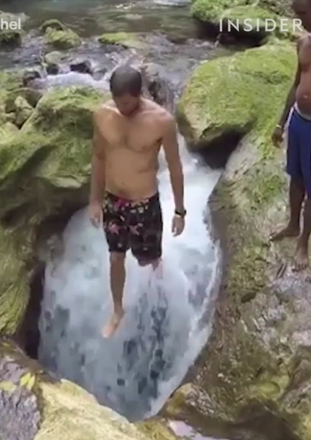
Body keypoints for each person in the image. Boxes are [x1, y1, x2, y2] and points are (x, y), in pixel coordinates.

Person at [88, 66, 186, 338]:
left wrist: (180, 210)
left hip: (145, 203)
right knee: (115, 256)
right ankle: (117, 310)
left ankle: (159, 296)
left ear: (139, 94)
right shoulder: (102, 115)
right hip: (114, 201)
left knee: (150, 259)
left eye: (128, 103)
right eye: (118, 103)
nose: (123, 109)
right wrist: (94, 200)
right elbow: (98, 157)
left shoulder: (161, 121)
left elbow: (176, 167)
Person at [270, 0, 311, 271]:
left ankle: (304, 243)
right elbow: (296, 83)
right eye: (296, 14)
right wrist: (281, 122)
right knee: (295, 178)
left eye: (304, 13)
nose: (301, 20)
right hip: (298, 121)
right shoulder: (302, 43)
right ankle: (293, 225)